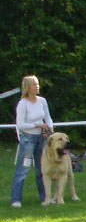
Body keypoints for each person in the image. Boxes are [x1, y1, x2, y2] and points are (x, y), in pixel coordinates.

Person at [10, 75, 54, 208]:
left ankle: (45, 197)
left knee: (42, 169)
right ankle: (16, 199)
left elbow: (48, 117)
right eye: (34, 84)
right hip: (28, 139)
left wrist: (50, 129)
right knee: (22, 169)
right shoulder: (23, 103)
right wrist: (37, 125)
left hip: (42, 138)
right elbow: (21, 124)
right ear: (27, 87)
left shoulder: (42, 101)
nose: (37, 86)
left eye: (37, 84)